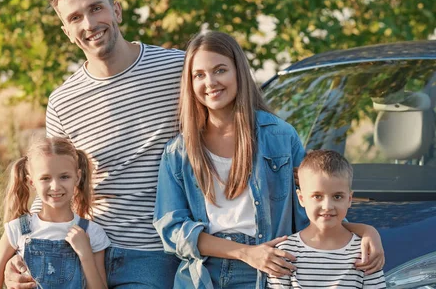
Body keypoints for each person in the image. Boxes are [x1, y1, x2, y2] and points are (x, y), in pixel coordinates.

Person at [153, 31, 385, 289]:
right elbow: (172, 230)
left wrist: (365, 231)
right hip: (203, 277)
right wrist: (244, 252)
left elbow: (312, 204)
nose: (210, 82)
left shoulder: (280, 137)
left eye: (220, 70)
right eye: (199, 75)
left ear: (238, 72)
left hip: (272, 274)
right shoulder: (179, 152)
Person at [3, 0, 185, 288]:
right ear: (66, 32)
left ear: (115, 10)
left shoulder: (176, 70)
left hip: (151, 254)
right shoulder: (62, 101)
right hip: (75, 250)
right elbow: (52, 184)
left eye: (95, 8)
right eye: (74, 18)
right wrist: (18, 257)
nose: (88, 24)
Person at [0, 137, 110, 289]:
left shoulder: (92, 233)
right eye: (45, 178)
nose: (55, 186)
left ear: (77, 178)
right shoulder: (17, 229)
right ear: (32, 182)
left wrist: (85, 255)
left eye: (64, 177)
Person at [267, 149, 386, 289]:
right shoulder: (286, 251)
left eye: (337, 197)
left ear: (349, 199)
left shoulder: (364, 252)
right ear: (301, 198)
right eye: (317, 196)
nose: (327, 206)